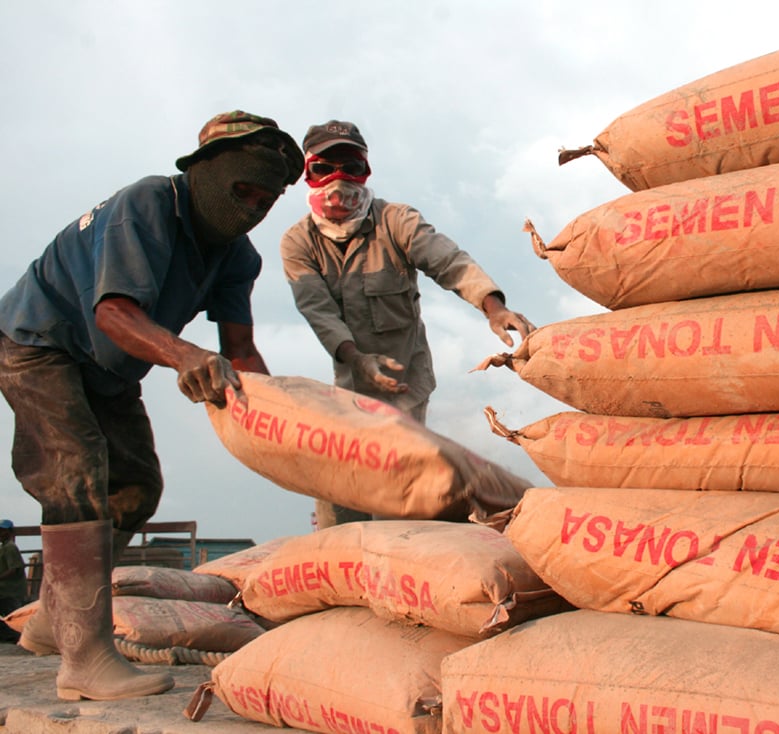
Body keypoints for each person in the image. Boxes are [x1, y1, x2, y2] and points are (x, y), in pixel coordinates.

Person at [0, 110, 303, 700]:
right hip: (39, 341)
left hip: (108, 370)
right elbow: (112, 313)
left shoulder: (238, 257)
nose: (251, 209)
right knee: (77, 473)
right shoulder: (147, 206)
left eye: (266, 201)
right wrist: (184, 355)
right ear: (202, 173)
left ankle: (50, 619)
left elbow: (239, 350)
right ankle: (83, 658)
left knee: (137, 488)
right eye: (242, 190)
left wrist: (280, 414)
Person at [280, 120, 535, 528]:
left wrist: (493, 307)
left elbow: (448, 260)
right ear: (307, 175)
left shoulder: (394, 221)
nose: (338, 179)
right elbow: (318, 311)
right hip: (349, 388)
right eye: (325, 168)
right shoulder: (298, 243)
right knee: (338, 494)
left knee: (398, 492)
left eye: (351, 166)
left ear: (365, 170)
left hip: (406, 385)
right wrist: (355, 358)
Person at [0, 519, 27, 643]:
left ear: (9, 532)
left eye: (2, 530)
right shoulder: (4, 547)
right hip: (5, 590)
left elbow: (14, 569)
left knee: (13, 615)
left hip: (10, 590)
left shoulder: (10, 547)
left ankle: (19, 639)